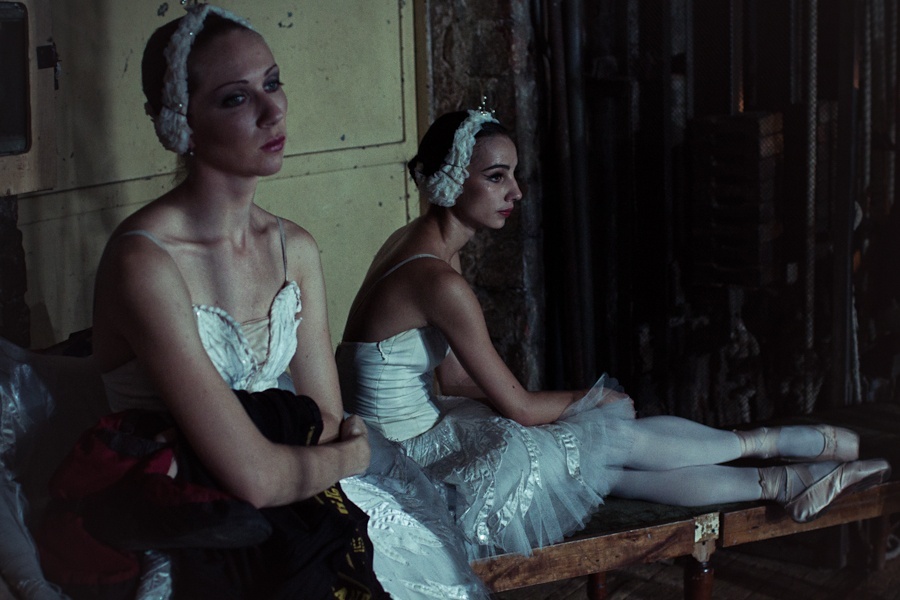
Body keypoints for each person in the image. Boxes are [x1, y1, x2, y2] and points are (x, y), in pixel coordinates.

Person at [335, 108, 892, 565]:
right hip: (405, 462)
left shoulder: (417, 244)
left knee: (598, 456)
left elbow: (455, 379)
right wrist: (591, 400)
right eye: (497, 177)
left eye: (514, 175)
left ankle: (789, 474)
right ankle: (786, 455)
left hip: (416, 432)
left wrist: (558, 418)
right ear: (454, 179)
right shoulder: (440, 281)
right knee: (608, 441)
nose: (517, 192)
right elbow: (519, 406)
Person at [35, 5, 387, 599]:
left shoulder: (296, 248)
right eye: (236, 98)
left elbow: (326, 420)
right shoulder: (144, 261)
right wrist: (352, 459)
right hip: (191, 520)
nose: (273, 111)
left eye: (273, 83)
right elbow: (256, 478)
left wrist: (306, 454)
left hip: (294, 490)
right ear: (184, 124)